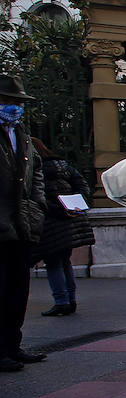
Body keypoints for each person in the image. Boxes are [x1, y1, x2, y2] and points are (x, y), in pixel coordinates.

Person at [0, 72, 46, 372]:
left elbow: (36, 176)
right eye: (8, 102)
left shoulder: (23, 137)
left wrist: (37, 206)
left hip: (21, 225)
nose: (15, 107)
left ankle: (13, 346)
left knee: (18, 290)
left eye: (18, 102)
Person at [32, 139, 94, 316]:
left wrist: (55, 209)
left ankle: (61, 301)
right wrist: (75, 205)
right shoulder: (63, 165)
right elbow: (83, 185)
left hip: (51, 222)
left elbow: (38, 196)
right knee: (65, 261)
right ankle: (71, 299)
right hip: (70, 219)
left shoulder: (35, 168)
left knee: (53, 263)